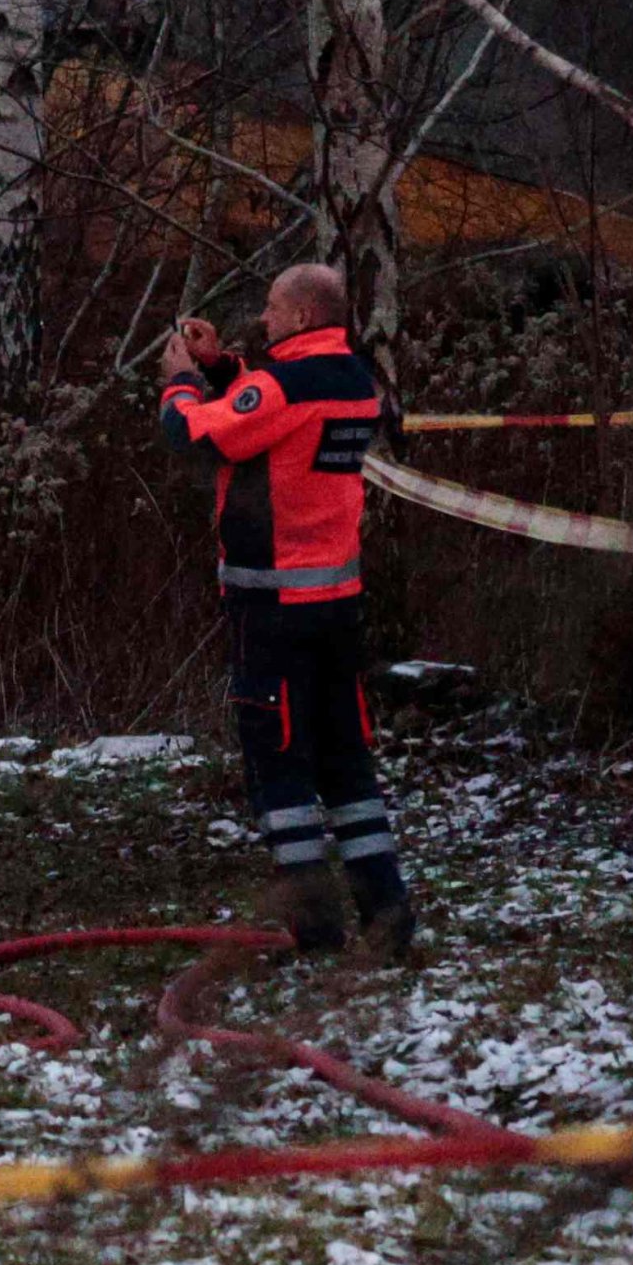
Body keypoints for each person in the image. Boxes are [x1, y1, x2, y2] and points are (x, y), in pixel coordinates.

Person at [158, 262, 415, 959]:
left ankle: (314, 925)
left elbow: (201, 434)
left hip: (269, 608)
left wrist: (180, 381)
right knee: (345, 764)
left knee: (278, 768)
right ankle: (386, 911)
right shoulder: (354, 380)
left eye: (272, 310)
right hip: (335, 605)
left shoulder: (282, 383)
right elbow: (268, 415)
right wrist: (221, 365)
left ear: (302, 316)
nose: (263, 321)